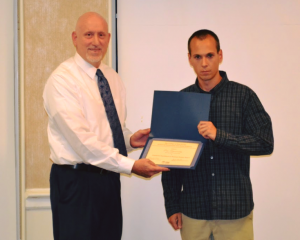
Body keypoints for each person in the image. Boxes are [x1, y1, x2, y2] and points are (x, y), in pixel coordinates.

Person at [43, 12, 169, 240]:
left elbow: (111, 130)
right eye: (88, 34)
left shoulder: (112, 77)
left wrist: (129, 140)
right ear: (75, 38)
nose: (95, 41)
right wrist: (131, 166)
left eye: (101, 35)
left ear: (108, 38)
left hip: (109, 180)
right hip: (75, 183)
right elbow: (84, 144)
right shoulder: (62, 81)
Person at [161, 29, 274, 240]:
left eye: (210, 55)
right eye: (198, 57)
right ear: (190, 59)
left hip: (235, 213)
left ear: (220, 55)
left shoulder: (244, 96)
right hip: (193, 213)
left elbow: (265, 143)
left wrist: (219, 135)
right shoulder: (181, 101)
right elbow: (171, 163)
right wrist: (172, 205)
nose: (204, 63)